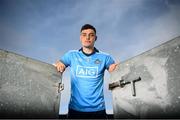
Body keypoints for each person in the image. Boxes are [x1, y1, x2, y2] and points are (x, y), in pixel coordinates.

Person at [55, 24, 117, 119]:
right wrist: (60, 64)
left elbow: (116, 72)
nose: (87, 37)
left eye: (91, 35)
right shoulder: (71, 55)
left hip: (98, 109)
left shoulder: (105, 57)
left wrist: (116, 68)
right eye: (84, 34)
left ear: (95, 38)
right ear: (80, 37)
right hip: (75, 109)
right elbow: (60, 64)